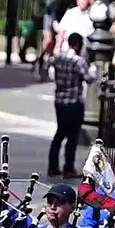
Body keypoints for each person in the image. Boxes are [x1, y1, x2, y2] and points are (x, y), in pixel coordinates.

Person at [48, 32, 97, 179]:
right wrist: (93, 69)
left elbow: (51, 66)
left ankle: (53, 166)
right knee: (72, 136)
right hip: (74, 102)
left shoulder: (59, 58)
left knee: (59, 133)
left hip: (59, 101)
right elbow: (89, 79)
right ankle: (68, 167)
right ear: (78, 45)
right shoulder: (78, 61)